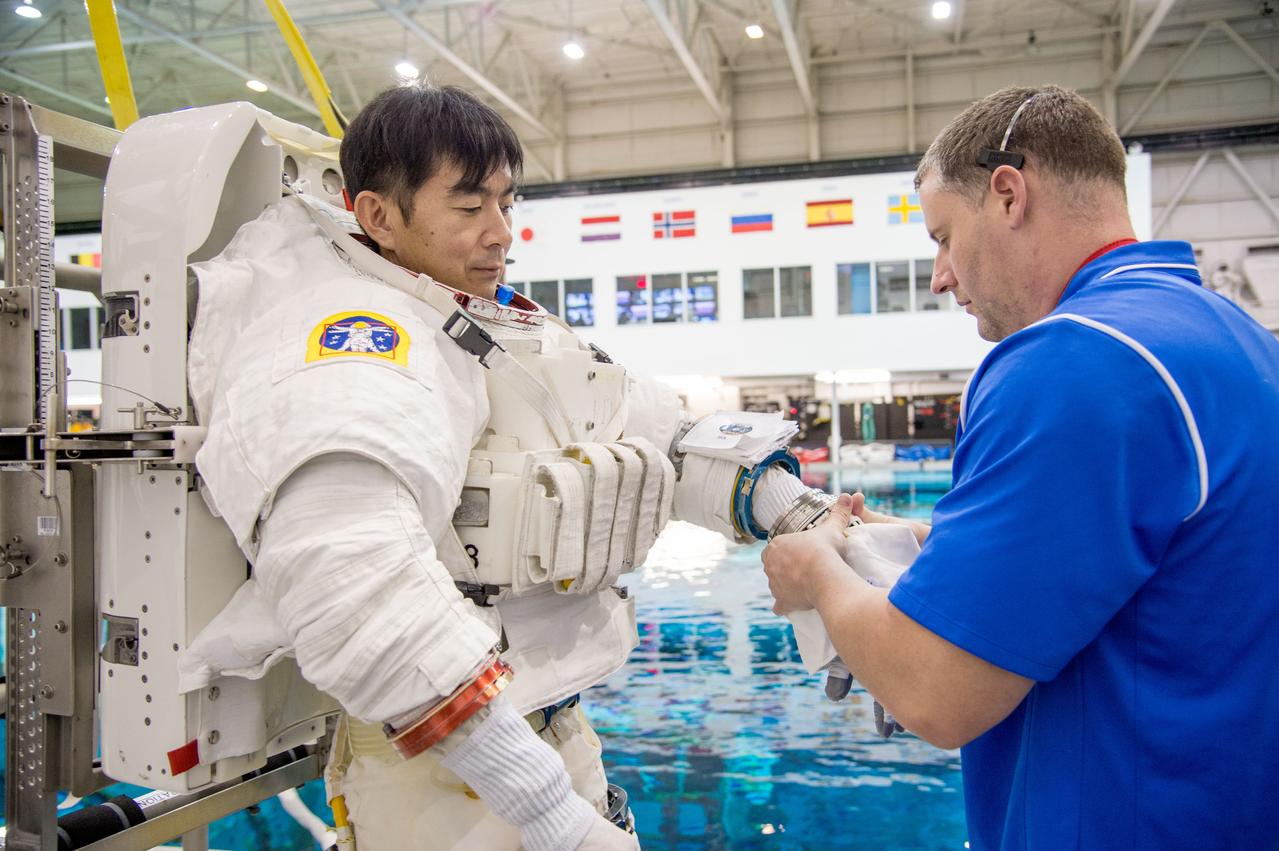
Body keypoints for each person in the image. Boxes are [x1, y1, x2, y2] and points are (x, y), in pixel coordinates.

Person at [179, 83, 818, 851]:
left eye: (507, 204)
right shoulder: (351, 341)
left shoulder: (484, 325)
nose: (500, 233)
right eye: (468, 205)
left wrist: (805, 519)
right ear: (378, 216)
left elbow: (669, 436)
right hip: (439, 777)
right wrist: (553, 815)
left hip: (544, 733)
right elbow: (356, 593)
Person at [762, 84, 1279, 849]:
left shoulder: (1070, 360)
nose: (939, 275)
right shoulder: (1237, 340)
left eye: (942, 236)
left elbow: (935, 691)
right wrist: (937, 541)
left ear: (1006, 192)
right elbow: (1156, 567)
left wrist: (814, 571)